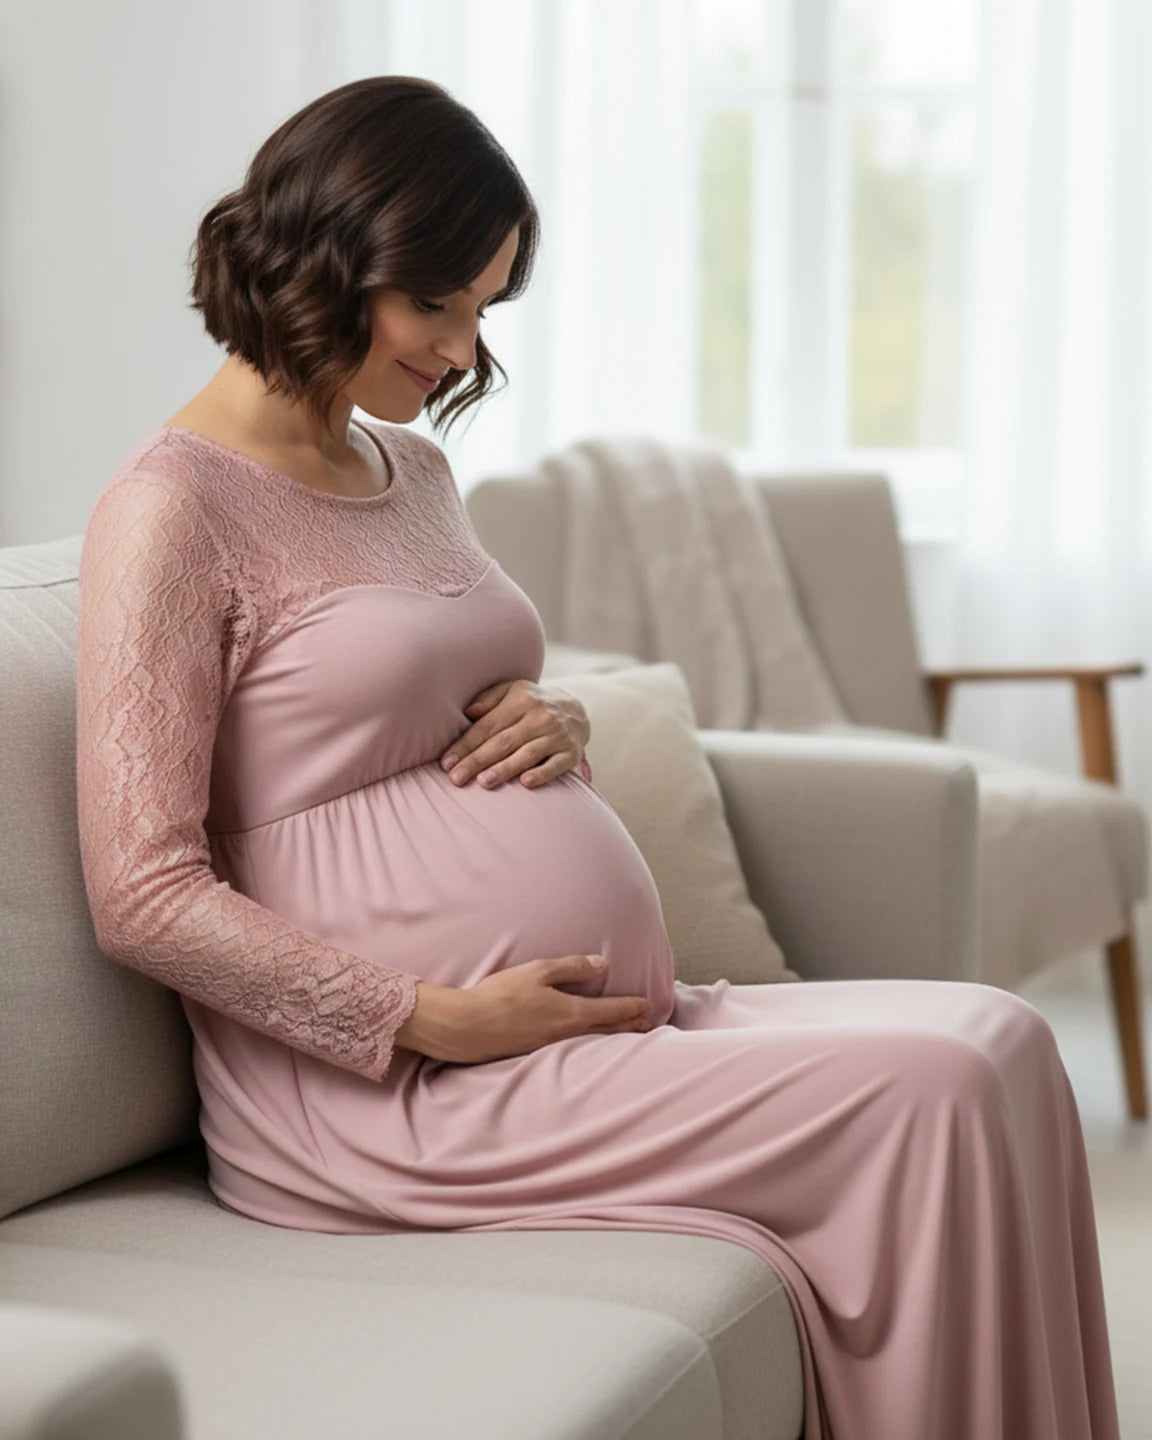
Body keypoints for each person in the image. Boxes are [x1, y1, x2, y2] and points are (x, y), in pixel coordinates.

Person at [74, 75, 1121, 1440]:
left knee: (1006, 1039)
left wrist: (555, 719)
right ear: (326, 253)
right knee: (930, 1088)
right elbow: (140, 892)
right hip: (396, 1095)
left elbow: (436, 690)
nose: (460, 352)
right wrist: (426, 1018)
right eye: (435, 302)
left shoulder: (412, 475)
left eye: (482, 310)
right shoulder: (172, 512)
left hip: (585, 1027)